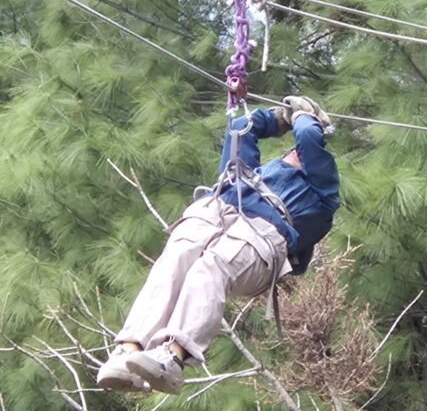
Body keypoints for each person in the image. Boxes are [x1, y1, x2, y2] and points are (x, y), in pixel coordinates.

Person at [96, 96, 340, 394]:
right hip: (220, 212)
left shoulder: (321, 193)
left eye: (302, 152)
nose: (296, 152)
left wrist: (303, 118)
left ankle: (172, 356)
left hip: (260, 238)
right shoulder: (245, 176)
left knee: (210, 267)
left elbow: (309, 139)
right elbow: (240, 128)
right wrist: (278, 119)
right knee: (175, 260)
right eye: (293, 149)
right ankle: (129, 349)